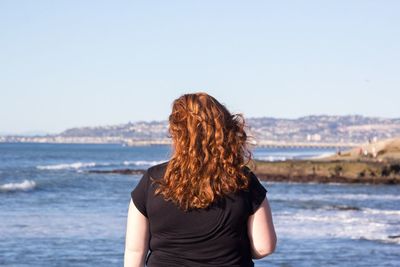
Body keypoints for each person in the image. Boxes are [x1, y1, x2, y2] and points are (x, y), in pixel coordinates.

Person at [124, 92, 277, 267]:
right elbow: (265, 246)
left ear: (176, 132)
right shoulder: (243, 179)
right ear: (224, 130)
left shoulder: (151, 180)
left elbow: (134, 251)